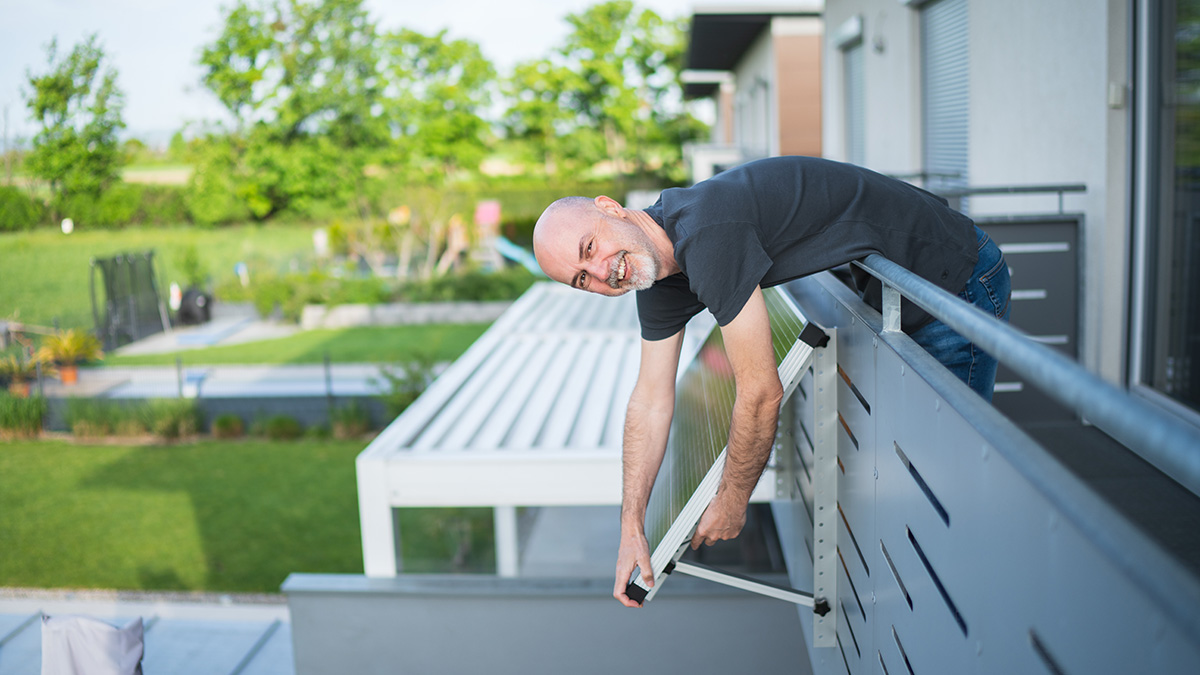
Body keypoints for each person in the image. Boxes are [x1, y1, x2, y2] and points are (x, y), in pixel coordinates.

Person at [531, 155, 1010, 607]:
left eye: (588, 249)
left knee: (948, 478)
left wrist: (733, 499)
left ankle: (976, 598)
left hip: (952, 280)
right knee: (923, 474)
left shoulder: (706, 232)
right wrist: (631, 524)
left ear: (610, 209)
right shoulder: (654, 272)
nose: (599, 273)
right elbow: (650, 401)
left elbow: (760, 393)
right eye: (581, 279)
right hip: (895, 293)